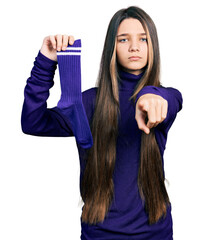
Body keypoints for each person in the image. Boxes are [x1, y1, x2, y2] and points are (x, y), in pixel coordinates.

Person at [21, 6, 183, 240]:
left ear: (153, 47)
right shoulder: (88, 103)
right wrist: (46, 61)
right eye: (123, 39)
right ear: (112, 48)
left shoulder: (166, 96)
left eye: (143, 39)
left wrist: (151, 96)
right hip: (99, 233)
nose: (134, 47)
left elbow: (170, 99)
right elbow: (32, 122)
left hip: (155, 233)